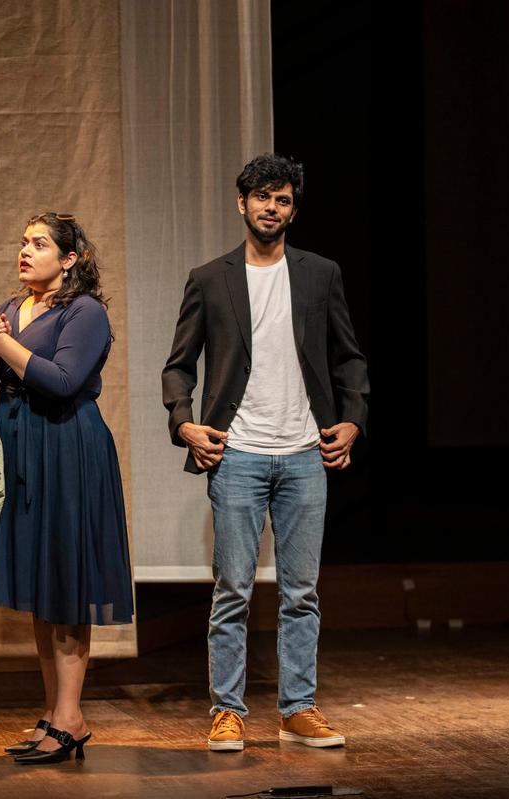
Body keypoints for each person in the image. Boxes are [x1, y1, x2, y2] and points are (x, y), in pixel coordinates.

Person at [161, 154, 369, 751]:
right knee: (234, 589)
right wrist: (185, 424)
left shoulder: (320, 273)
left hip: (307, 452)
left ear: (292, 210)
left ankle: (297, 708)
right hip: (238, 454)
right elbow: (179, 367)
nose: (270, 208)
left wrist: (352, 420)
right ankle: (228, 710)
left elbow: (349, 355)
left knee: (302, 591)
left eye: (281, 200)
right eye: (261, 197)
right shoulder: (209, 277)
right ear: (242, 203)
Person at [0, 212, 134, 764]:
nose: (26, 251)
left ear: (69, 259)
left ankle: (71, 716)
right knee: (41, 586)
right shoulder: (13, 309)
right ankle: (55, 710)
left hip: (67, 449)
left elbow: (61, 382)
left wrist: (3, 343)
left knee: (66, 580)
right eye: (22, 242)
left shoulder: (85, 312)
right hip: (21, 450)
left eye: (39, 243)